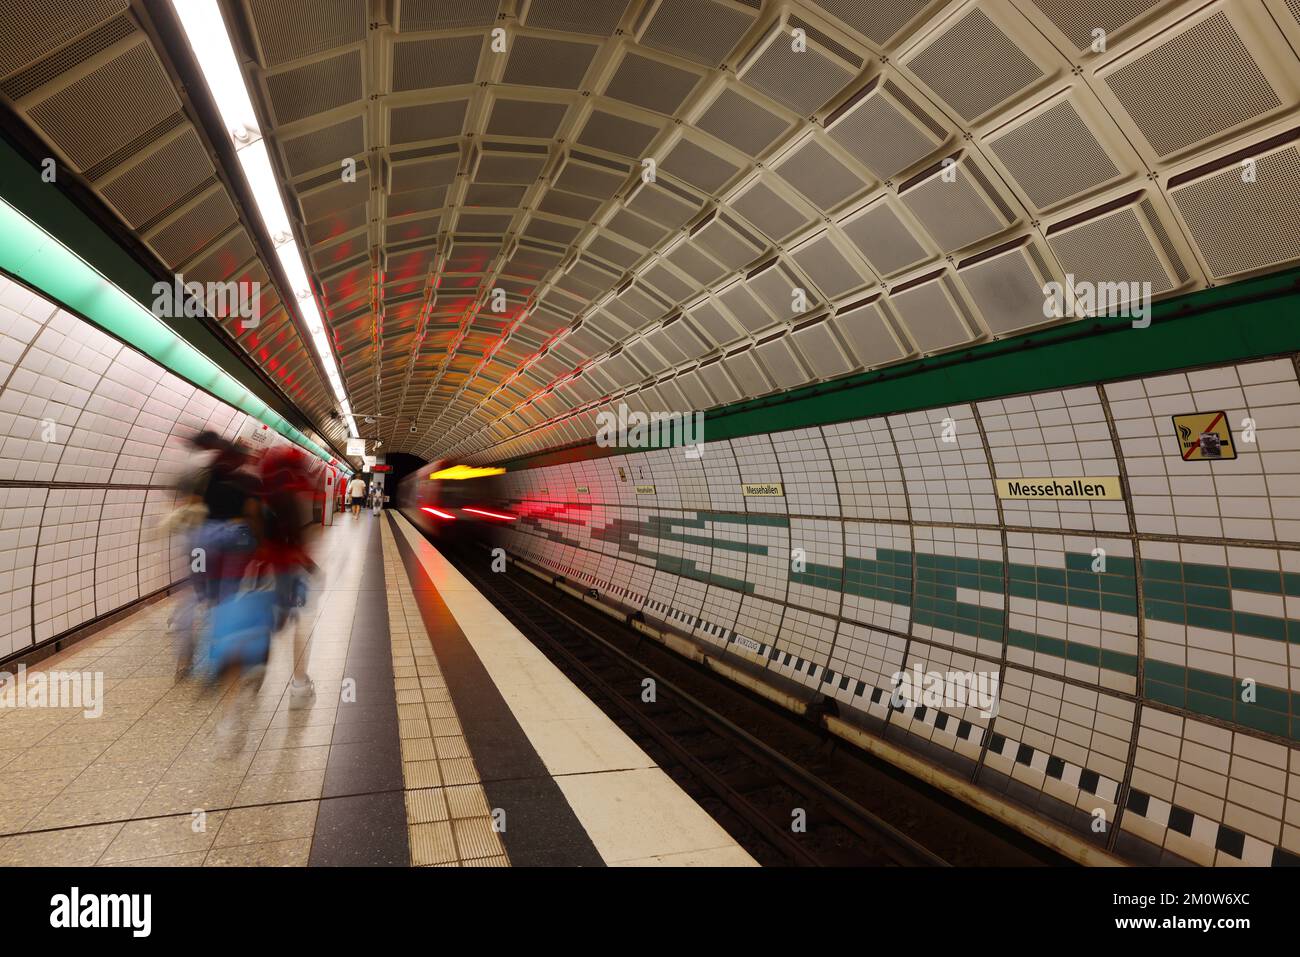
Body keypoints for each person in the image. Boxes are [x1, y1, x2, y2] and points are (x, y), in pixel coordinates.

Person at [255, 446, 318, 705]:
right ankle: (300, 685)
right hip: (289, 566)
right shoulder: (292, 492)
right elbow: (296, 535)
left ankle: (257, 661)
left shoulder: (262, 490)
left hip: (265, 564)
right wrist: (310, 565)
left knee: (274, 616)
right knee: (301, 622)